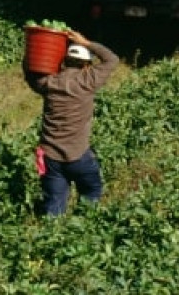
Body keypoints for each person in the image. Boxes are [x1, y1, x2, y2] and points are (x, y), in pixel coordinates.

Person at [23, 30, 118, 216]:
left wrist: (32, 52)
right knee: (91, 192)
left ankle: (51, 237)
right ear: (86, 65)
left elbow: (30, 73)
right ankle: (82, 228)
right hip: (78, 155)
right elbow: (111, 59)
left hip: (51, 157)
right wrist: (86, 42)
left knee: (54, 203)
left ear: (64, 62)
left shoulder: (50, 83)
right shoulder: (87, 80)